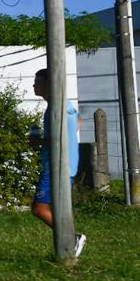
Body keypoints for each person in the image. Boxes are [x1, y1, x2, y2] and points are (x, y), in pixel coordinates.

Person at [29, 68, 86, 257]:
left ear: (48, 85)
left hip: (57, 165)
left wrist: (39, 141)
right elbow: (79, 120)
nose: (34, 85)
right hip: (64, 164)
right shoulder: (62, 105)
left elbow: (57, 139)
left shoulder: (57, 106)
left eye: (37, 82)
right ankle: (70, 241)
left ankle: (72, 238)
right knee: (57, 207)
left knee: (39, 208)